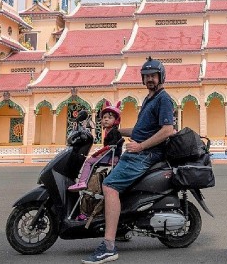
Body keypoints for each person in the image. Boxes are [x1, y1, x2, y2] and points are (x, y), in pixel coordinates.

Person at [83, 57, 175, 264]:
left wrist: (141, 146)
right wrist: (115, 129)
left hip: (144, 155)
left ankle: (108, 246)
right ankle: (122, 225)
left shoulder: (163, 99)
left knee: (109, 187)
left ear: (161, 77)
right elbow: (139, 130)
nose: (150, 79)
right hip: (138, 152)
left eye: (153, 75)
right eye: (147, 76)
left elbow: (168, 130)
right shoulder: (149, 100)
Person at [69, 100, 124, 192]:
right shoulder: (108, 131)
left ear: (116, 120)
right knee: (93, 162)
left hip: (113, 157)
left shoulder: (114, 132)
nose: (106, 119)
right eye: (104, 117)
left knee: (88, 162)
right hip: (111, 156)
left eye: (110, 118)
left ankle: (82, 182)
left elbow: (111, 146)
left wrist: (99, 154)